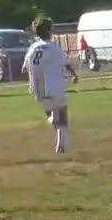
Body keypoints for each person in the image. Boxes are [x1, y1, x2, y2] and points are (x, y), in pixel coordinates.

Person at [22, 16, 78, 154]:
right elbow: (66, 64)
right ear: (49, 30)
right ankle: (61, 146)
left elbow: (24, 68)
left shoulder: (33, 48)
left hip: (38, 89)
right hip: (55, 86)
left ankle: (53, 121)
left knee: (51, 113)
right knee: (62, 116)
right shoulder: (54, 48)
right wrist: (74, 75)